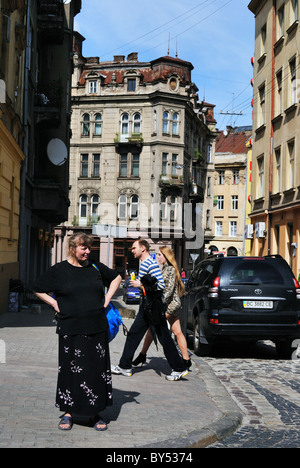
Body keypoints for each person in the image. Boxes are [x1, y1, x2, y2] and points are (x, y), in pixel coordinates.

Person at [32, 232, 122, 431]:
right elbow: (37, 288)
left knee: (95, 372)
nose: (88, 252)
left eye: (90, 248)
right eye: (84, 248)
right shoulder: (59, 270)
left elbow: (116, 278)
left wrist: (107, 298)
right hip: (70, 327)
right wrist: (54, 302)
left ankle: (95, 414)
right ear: (72, 249)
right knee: (69, 372)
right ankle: (68, 413)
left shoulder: (96, 267)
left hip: (96, 327)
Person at [111, 238, 188, 381]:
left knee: (164, 338)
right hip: (147, 306)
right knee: (134, 334)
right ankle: (125, 366)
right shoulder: (145, 263)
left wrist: (140, 284)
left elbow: (160, 286)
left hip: (154, 306)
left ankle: (179, 368)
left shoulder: (149, 263)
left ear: (143, 249)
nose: (132, 251)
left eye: (134, 248)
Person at [133, 246, 191, 369]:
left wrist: (158, 303)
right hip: (173, 304)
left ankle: (143, 355)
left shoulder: (169, 269)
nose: (158, 257)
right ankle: (186, 359)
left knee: (154, 328)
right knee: (177, 332)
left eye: (160, 255)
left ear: (166, 256)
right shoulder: (165, 268)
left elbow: (168, 291)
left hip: (169, 305)